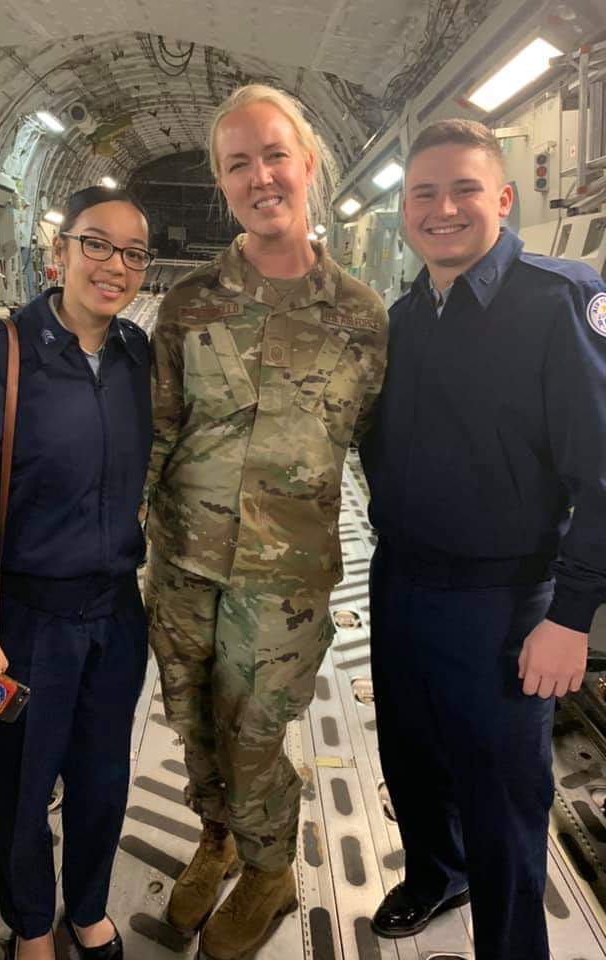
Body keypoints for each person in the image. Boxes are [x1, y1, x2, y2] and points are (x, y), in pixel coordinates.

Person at [144, 84, 388, 960]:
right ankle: (216, 841)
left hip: (283, 585)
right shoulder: (190, 306)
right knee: (194, 722)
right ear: (221, 182)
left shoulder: (360, 315)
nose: (261, 176)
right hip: (183, 567)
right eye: (238, 162)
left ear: (309, 164)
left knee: (255, 737)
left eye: (274, 154)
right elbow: (159, 432)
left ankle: (271, 868)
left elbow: (377, 449)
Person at [360, 119, 606, 959]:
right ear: (405, 214)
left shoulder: (557, 299)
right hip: (399, 582)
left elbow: (602, 472)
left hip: (503, 598)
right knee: (412, 757)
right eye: (424, 193)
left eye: (465, 188)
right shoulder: (399, 319)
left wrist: (571, 615)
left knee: (504, 794)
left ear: (503, 198)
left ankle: (511, 946)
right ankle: (437, 874)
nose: (444, 208)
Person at [0, 186, 154, 960]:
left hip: (117, 612)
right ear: (59, 252)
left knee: (103, 774)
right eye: (96, 244)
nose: (113, 266)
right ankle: (29, 923)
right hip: (28, 619)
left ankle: (86, 906)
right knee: (24, 781)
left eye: (132, 253)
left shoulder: (133, 356)